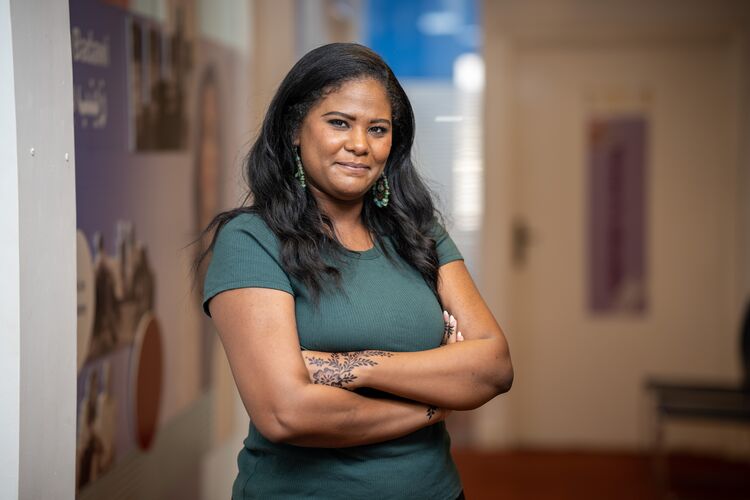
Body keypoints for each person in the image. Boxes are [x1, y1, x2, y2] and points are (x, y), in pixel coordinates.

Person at [197, 43, 513, 500]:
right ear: (294, 130)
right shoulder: (252, 240)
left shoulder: (418, 232)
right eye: (339, 122)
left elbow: (494, 367)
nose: (360, 145)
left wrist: (344, 367)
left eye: (378, 129)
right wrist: (433, 401)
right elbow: (286, 413)